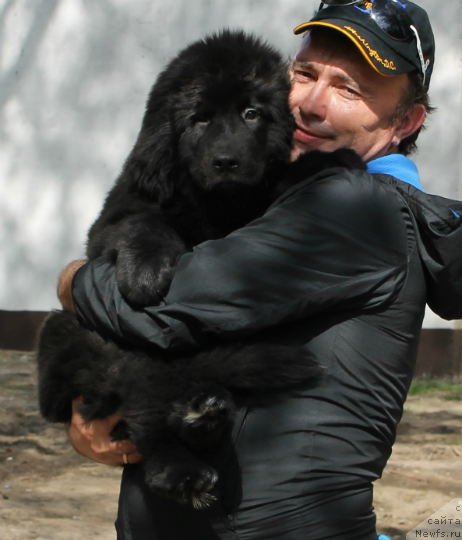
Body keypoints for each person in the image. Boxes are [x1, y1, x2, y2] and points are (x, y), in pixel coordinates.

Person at [58, 1, 462, 539]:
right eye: (304, 73)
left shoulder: (357, 206)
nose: (310, 105)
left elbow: (161, 309)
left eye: (350, 89)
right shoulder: (285, 194)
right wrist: (105, 405)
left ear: (404, 121)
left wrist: (72, 280)